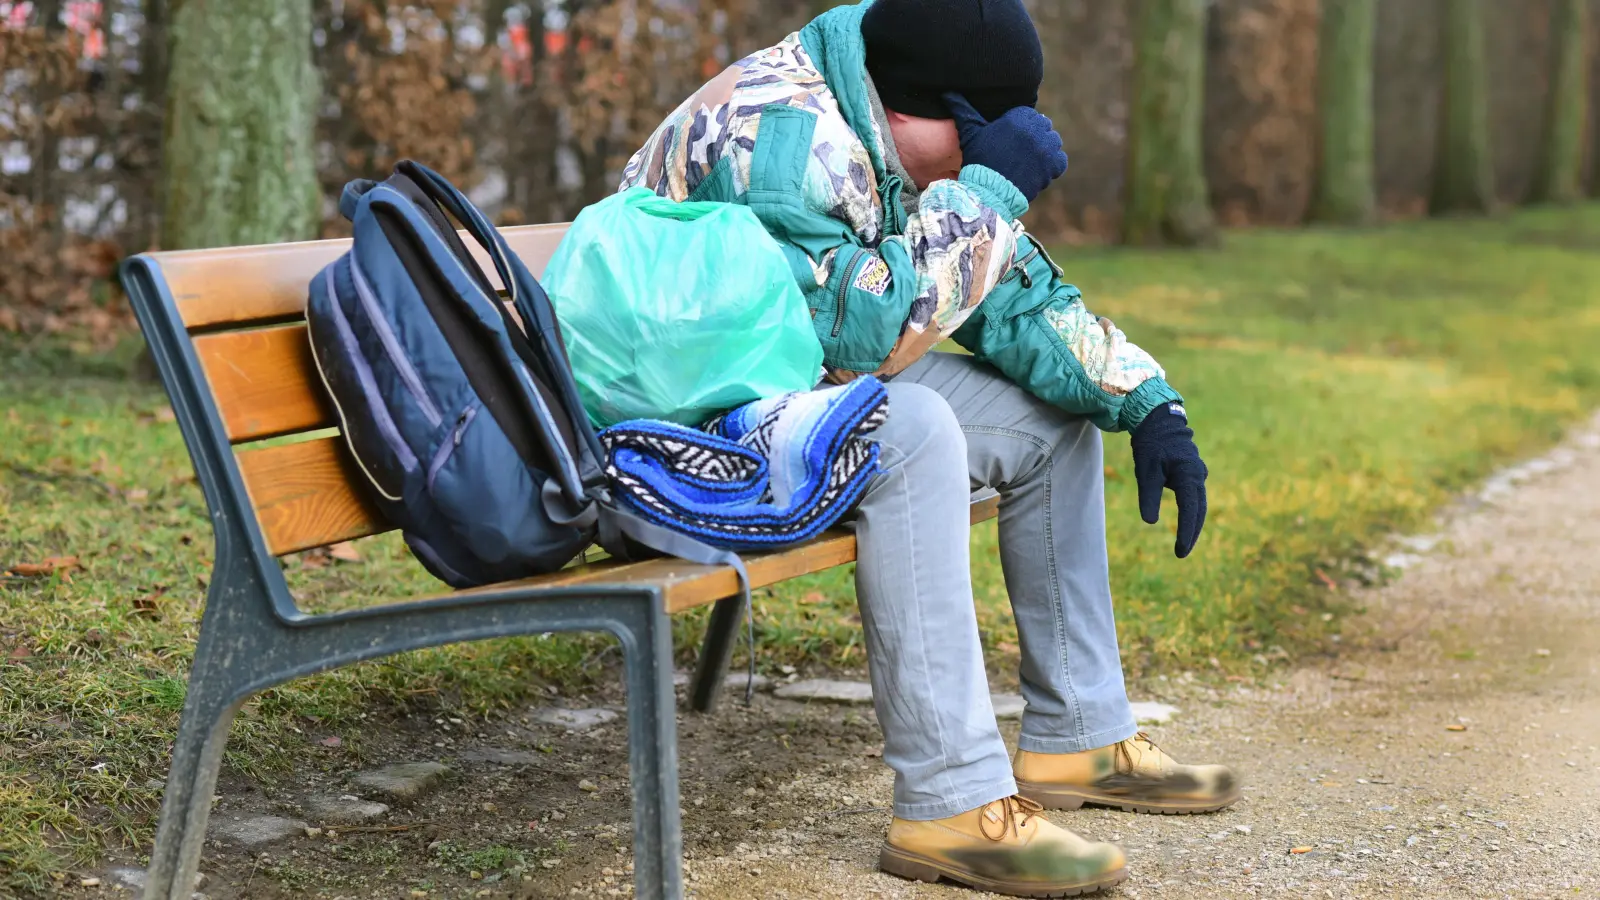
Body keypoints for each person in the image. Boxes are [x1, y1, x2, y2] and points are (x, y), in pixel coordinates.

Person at [620, 0, 1236, 895]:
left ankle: (1080, 735)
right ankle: (948, 802)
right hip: (679, 429)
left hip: (784, 382)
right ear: (915, 106)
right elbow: (867, 336)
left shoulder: (876, 112)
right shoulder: (782, 140)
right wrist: (983, 194)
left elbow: (999, 291)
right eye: (971, 143)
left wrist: (1146, 403)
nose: (968, 167)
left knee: (1048, 424)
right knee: (907, 429)